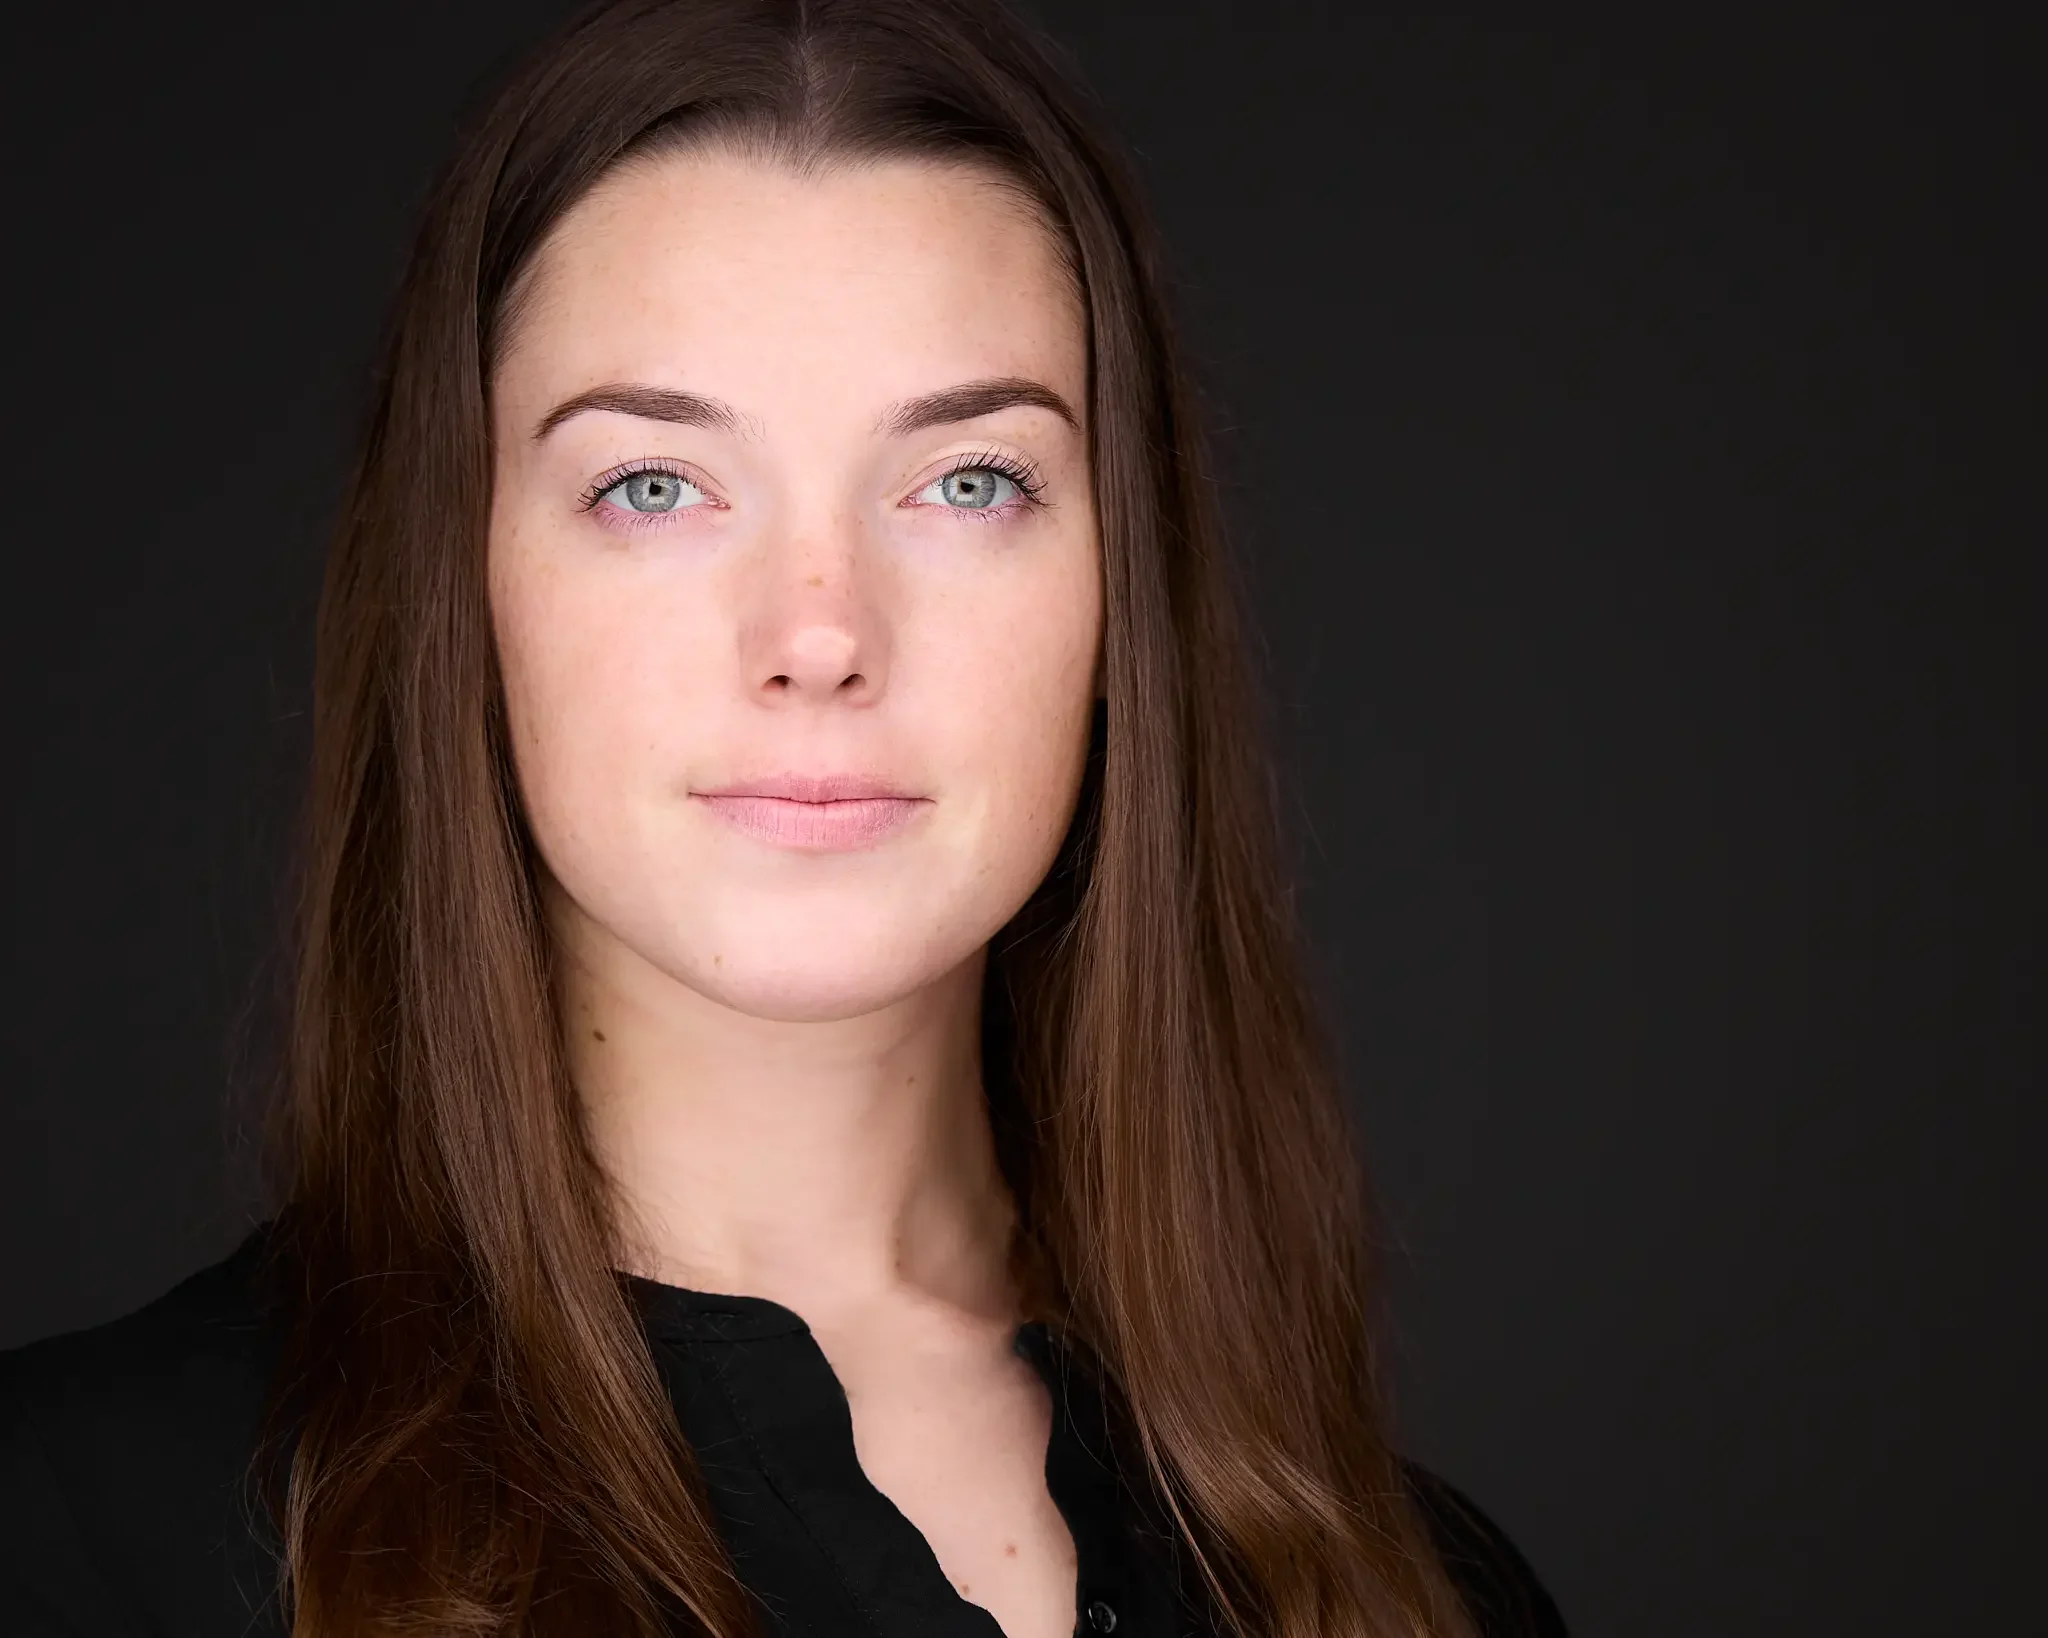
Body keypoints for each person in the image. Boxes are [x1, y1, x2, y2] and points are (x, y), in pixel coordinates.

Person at [0, 2, 1569, 1635]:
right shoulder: (73, 1534)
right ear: (464, 596)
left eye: (967, 482)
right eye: (654, 486)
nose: (819, 633)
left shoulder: (1425, 1592)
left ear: (1123, 607)